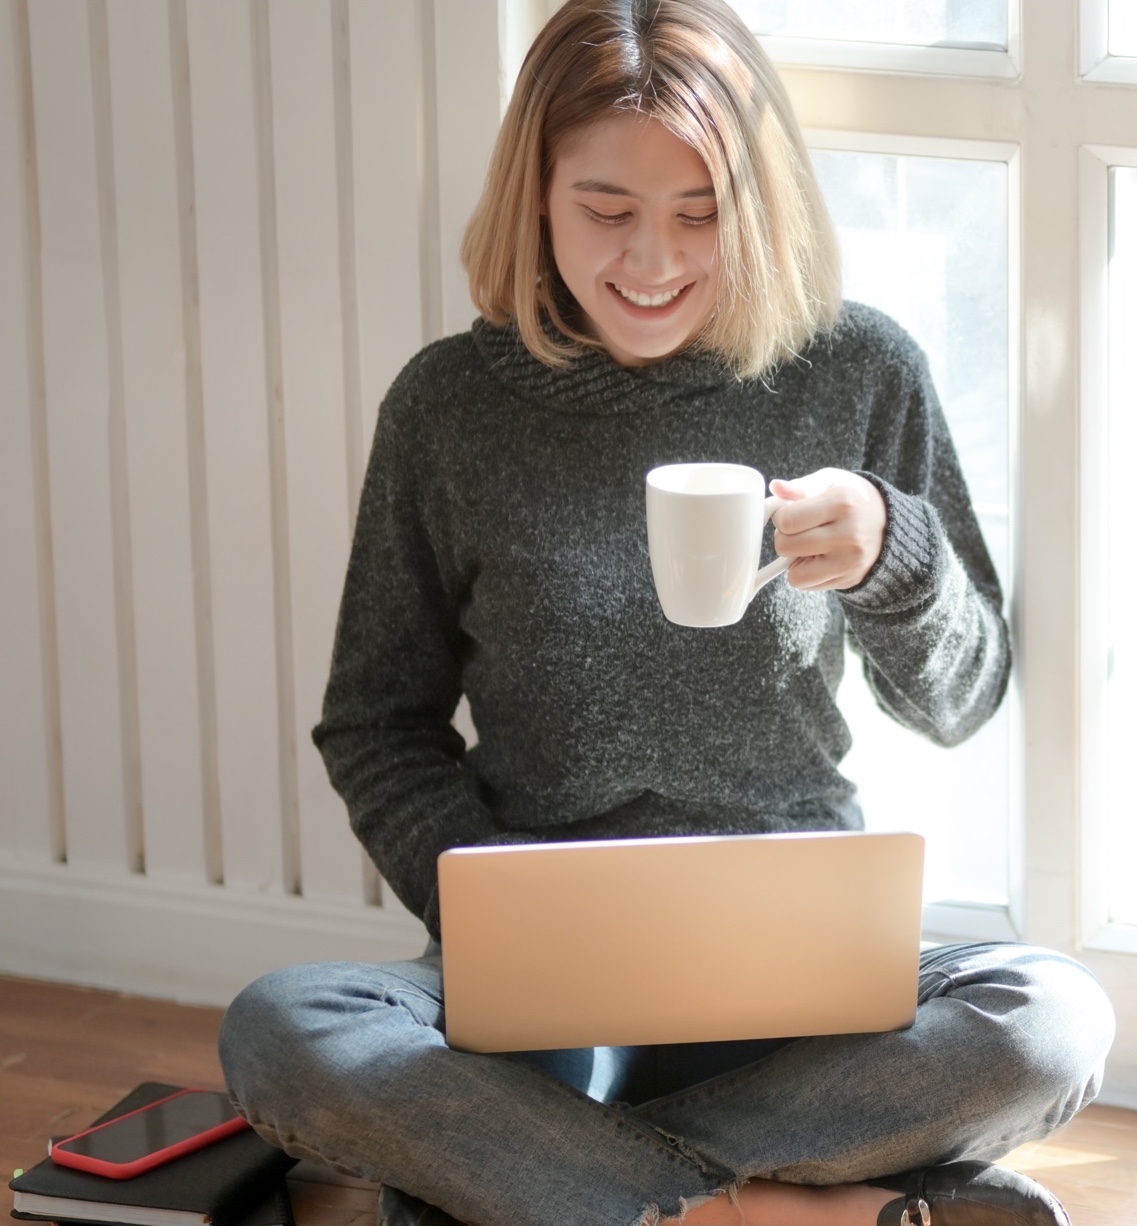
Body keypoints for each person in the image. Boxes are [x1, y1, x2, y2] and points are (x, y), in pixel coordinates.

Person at [218, 3, 1115, 1224]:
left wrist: (892, 555)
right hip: (546, 987)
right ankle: (804, 1206)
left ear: (762, 201)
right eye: (607, 209)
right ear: (535, 193)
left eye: (700, 212)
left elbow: (962, 697)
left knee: (1052, 1016)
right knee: (285, 1028)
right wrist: (493, 905)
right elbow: (376, 721)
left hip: (803, 974)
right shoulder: (449, 408)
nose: (652, 260)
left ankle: (555, 1183)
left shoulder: (858, 370)